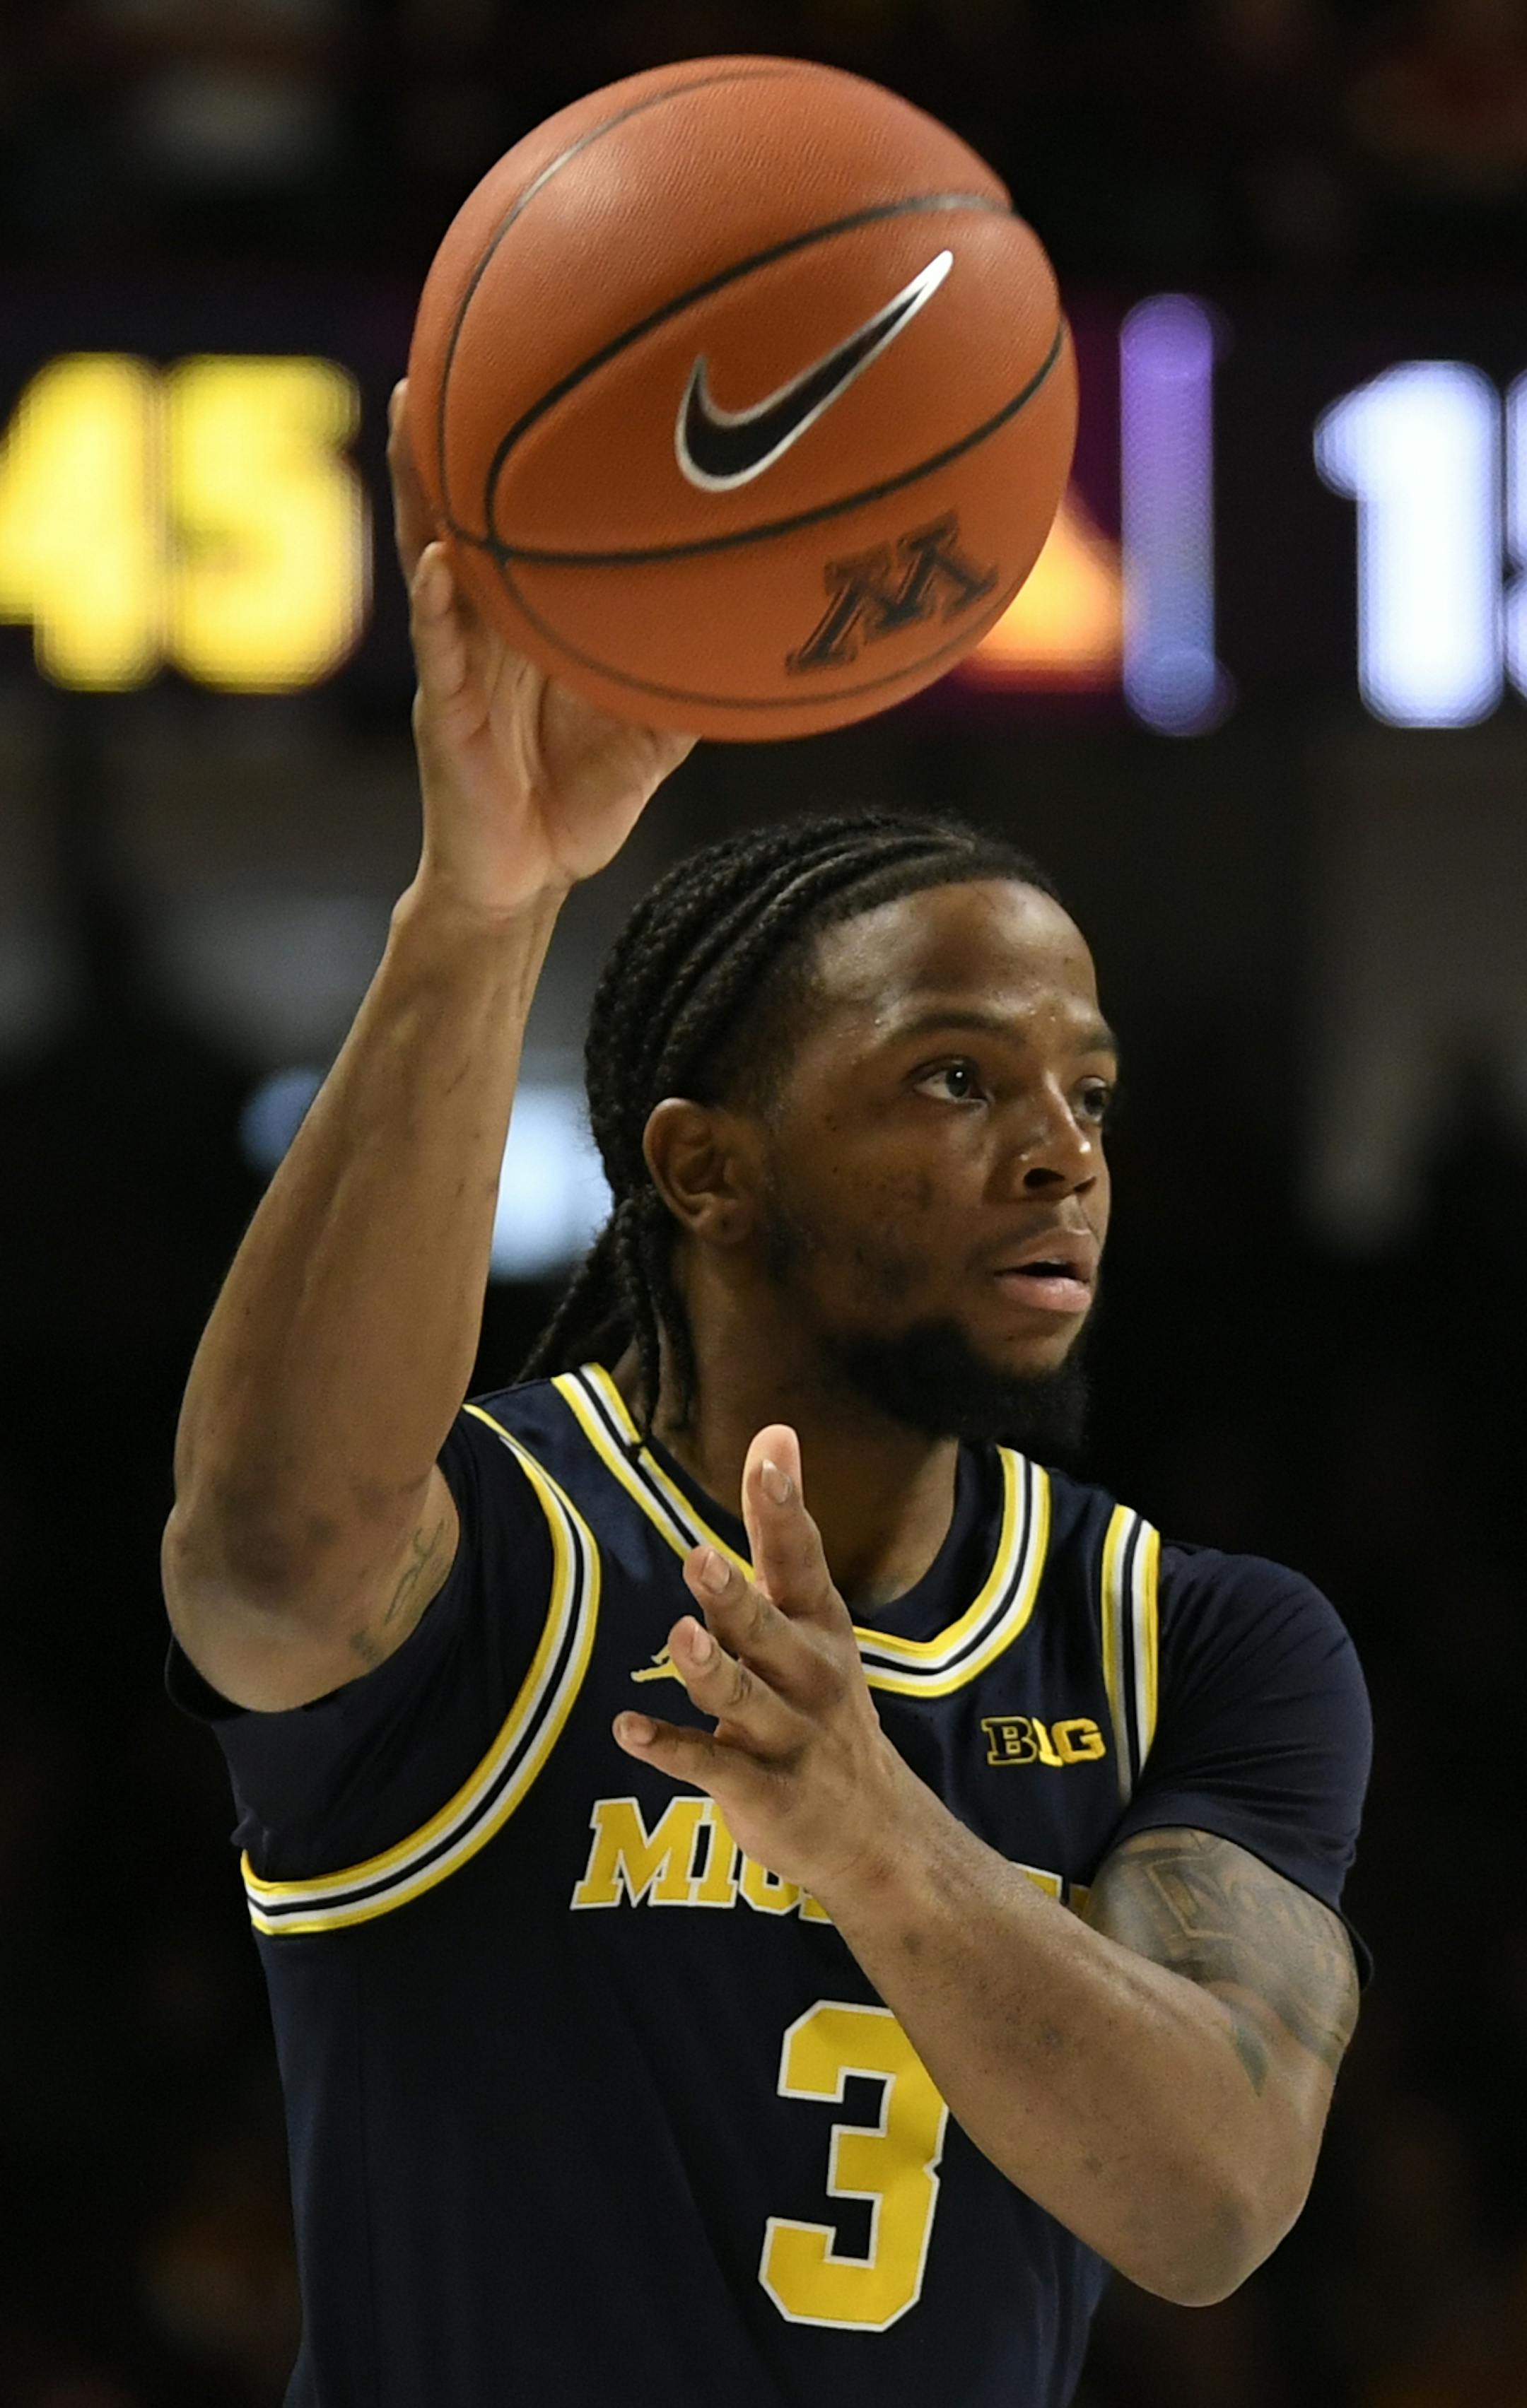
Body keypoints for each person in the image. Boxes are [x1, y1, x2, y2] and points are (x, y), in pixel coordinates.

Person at [161, 385, 1371, 2408]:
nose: (1063, 1154)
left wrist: (868, 1826)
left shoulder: (1200, 1641)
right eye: (957, 1078)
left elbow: (1214, 2200)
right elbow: (264, 1565)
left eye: (1090, 1093)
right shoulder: (503, 1560)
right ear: (706, 1168)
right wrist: (485, 903)